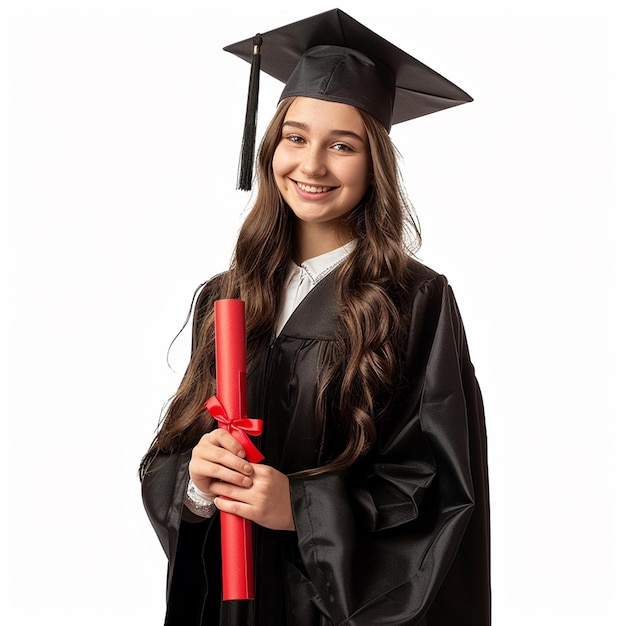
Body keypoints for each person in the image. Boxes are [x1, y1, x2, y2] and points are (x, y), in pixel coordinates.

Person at [140, 8, 491, 626]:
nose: (312, 165)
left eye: (342, 145)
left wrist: (300, 509)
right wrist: (197, 481)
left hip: (328, 610)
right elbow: (170, 454)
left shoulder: (417, 300)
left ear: (375, 162)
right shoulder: (226, 297)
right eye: (295, 137)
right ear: (271, 145)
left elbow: (434, 489)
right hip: (236, 606)